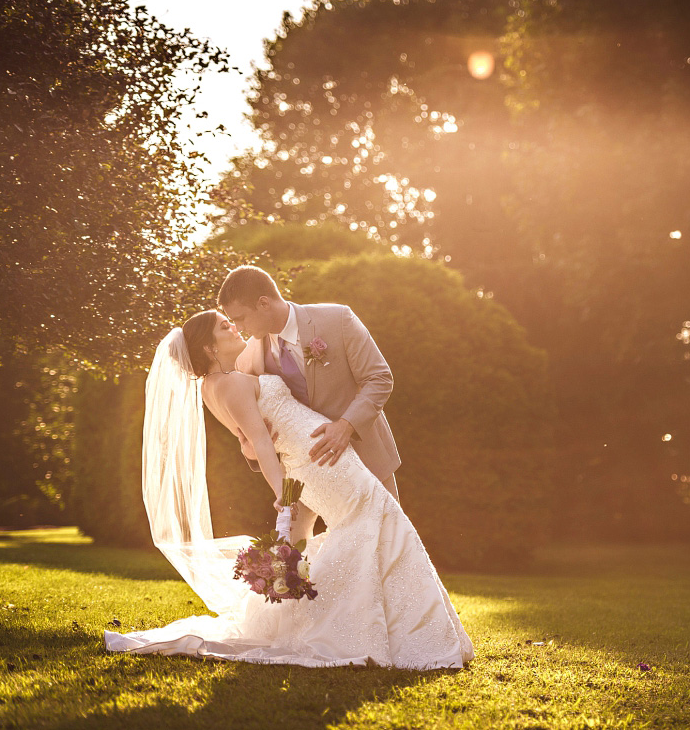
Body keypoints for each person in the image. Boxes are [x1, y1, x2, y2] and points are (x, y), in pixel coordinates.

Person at [103, 311, 474, 670]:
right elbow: (260, 443)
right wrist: (283, 494)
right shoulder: (228, 383)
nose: (233, 327)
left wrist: (261, 454)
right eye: (223, 326)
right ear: (207, 349)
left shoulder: (217, 385)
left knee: (372, 522)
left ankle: (381, 627)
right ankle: (377, 631)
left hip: (318, 458)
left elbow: (247, 439)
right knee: (374, 517)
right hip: (318, 462)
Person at [218, 265, 402, 546]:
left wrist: (346, 426)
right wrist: (250, 447)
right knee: (288, 552)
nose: (238, 328)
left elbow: (379, 378)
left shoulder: (337, 319)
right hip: (300, 469)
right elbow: (251, 431)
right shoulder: (248, 359)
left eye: (240, 318)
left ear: (264, 303)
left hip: (363, 456)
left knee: (389, 544)